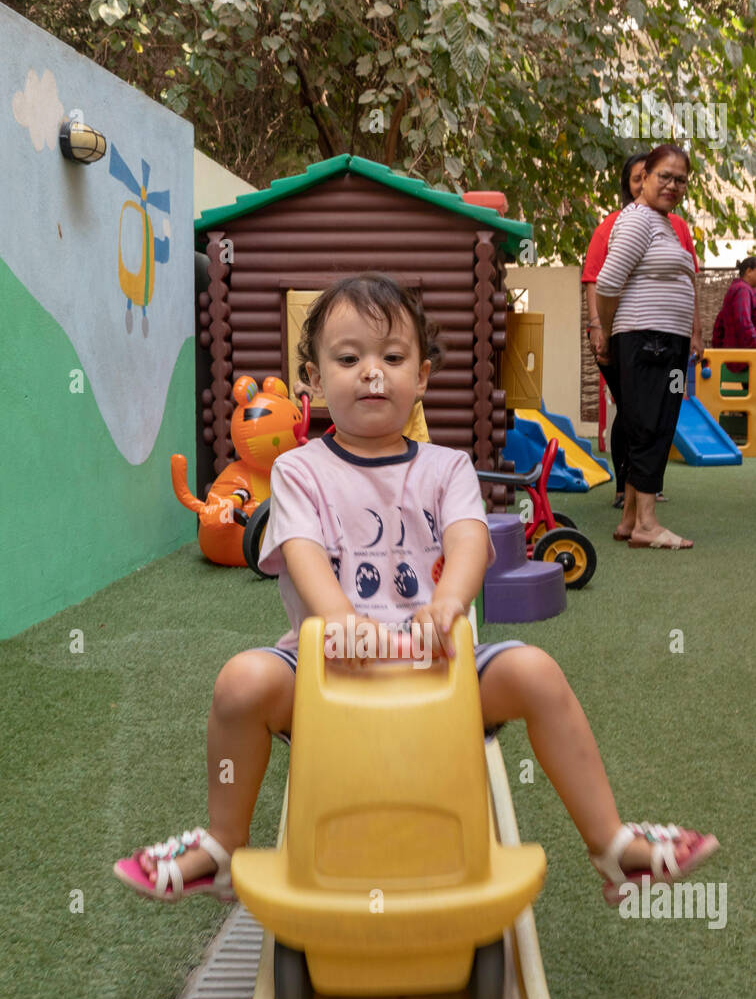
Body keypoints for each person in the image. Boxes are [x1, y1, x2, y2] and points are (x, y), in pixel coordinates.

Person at [114, 273, 717, 906]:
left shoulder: (446, 467)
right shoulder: (298, 471)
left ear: (422, 377)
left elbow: (467, 542)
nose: (372, 373)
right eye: (349, 359)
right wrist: (341, 619)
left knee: (536, 672)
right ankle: (224, 847)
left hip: (442, 664)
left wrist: (449, 604)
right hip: (326, 671)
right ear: (312, 384)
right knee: (241, 682)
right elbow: (303, 552)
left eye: (392, 357)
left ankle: (613, 847)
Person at [595, 146, 703, 549]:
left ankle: (628, 520)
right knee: (648, 425)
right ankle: (647, 524)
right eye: (665, 176)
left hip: (672, 350)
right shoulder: (639, 220)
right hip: (647, 343)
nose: (673, 185)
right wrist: (605, 331)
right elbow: (606, 284)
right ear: (645, 177)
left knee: (664, 418)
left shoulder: (666, 224)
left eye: (681, 180)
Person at [712, 256, 756, 375]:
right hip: (744, 358)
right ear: (749, 271)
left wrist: (719, 351)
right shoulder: (742, 290)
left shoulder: (737, 289)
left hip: (734, 356)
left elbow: (719, 324)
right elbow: (743, 323)